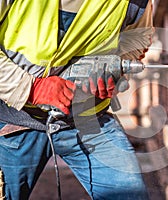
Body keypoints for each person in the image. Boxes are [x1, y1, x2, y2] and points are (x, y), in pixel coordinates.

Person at [0, 0, 153, 199]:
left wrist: (113, 68)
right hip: (13, 119)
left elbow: (138, 37)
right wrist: (31, 87)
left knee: (129, 194)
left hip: (88, 119)